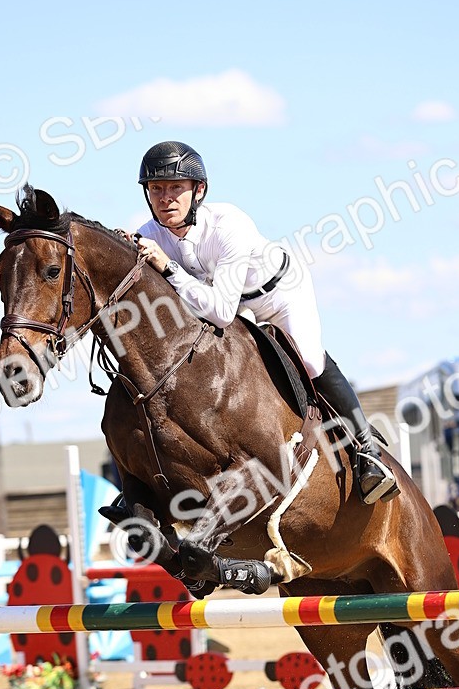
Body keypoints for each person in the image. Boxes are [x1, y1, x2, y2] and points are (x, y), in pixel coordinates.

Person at [130, 140, 398, 504]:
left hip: (278, 293)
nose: (166, 198)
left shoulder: (229, 224)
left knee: (309, 359)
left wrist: (168, 267)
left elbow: (222, 311)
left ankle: (367, 452)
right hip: (230, 302)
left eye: (176, 187)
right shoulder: (149, 234)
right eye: (156, 189)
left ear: (198, 191)